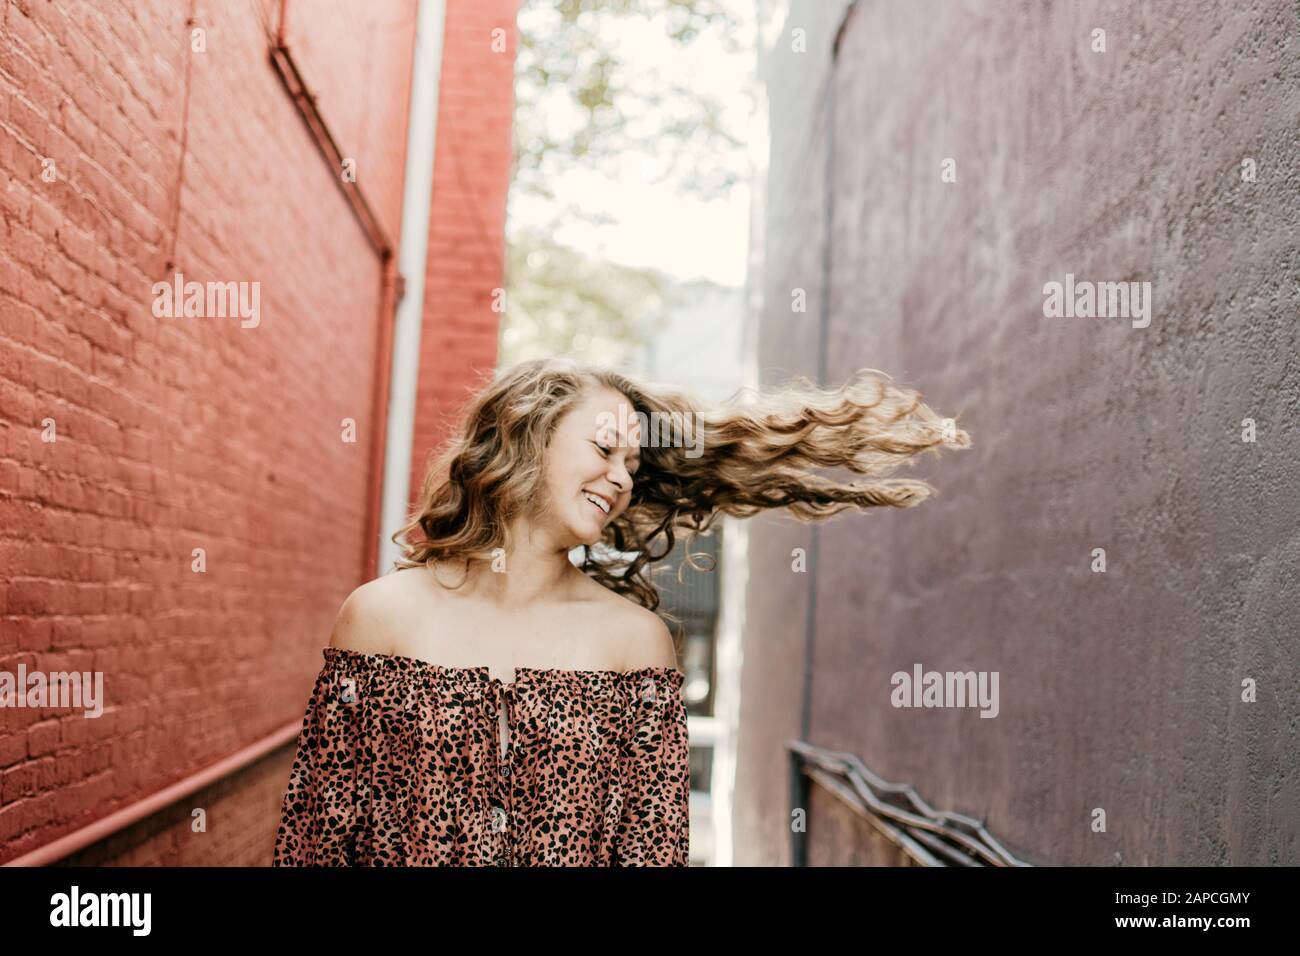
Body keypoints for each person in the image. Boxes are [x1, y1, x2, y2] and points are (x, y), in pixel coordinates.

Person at [272, 356, 969, 866]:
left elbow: (649, 855)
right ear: (526, 435)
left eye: (633, 466)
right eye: (604, 449)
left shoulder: (635, 645)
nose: (620, 478)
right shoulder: (380, 619)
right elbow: (318, 839)